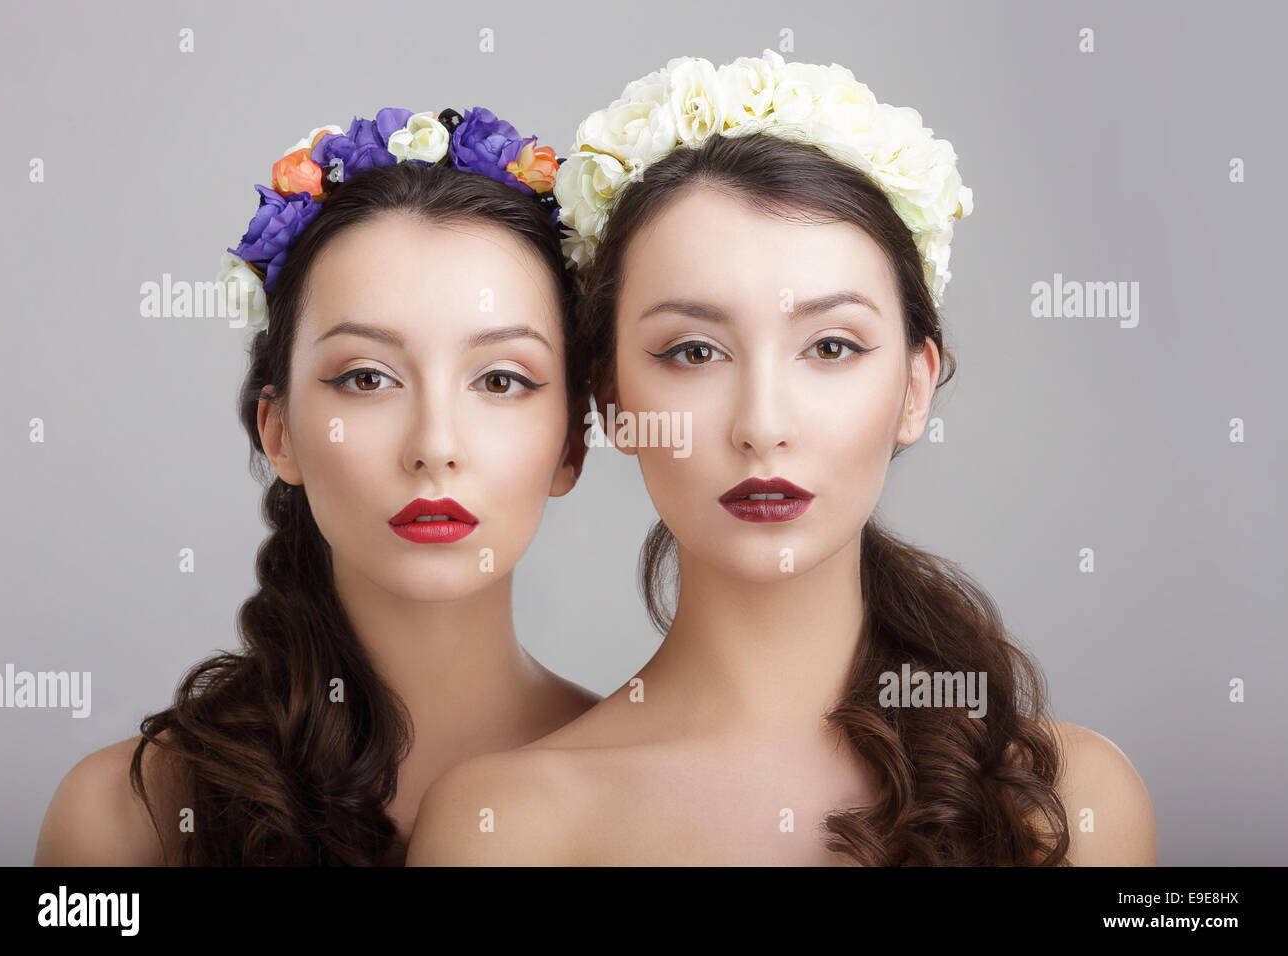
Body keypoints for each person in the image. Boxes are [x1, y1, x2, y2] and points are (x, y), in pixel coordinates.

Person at [408, 54, 1156, 865]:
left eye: (831, 346)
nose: (762, 427)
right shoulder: (504, 826)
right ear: (612, 398)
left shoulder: (1068, 800)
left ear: (914, 387)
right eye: (694, 352)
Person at [34, 106, 598, 865]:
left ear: (570, 444)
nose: (435, 446)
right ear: (280, 433)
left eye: (500, 380)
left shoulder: (647, 800)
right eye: (367, 377)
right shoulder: (127, 815)